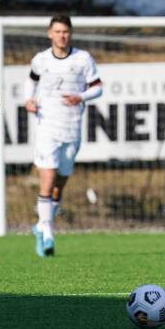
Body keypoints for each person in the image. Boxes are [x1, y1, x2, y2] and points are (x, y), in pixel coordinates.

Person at [25, 15, 103, 257]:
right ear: (50, 33)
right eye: (57, 31)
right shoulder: (41, 60)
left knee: (60, 183)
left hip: (72, 127)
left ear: (70, 34)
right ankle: (47, 233)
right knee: (47, 180)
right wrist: (29, 99)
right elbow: (31, 80)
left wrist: (81, 97)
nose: (62, 36)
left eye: (65, 32)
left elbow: (97, 87)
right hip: (47, 126)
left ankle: (40, 226)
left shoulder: (82, 59)